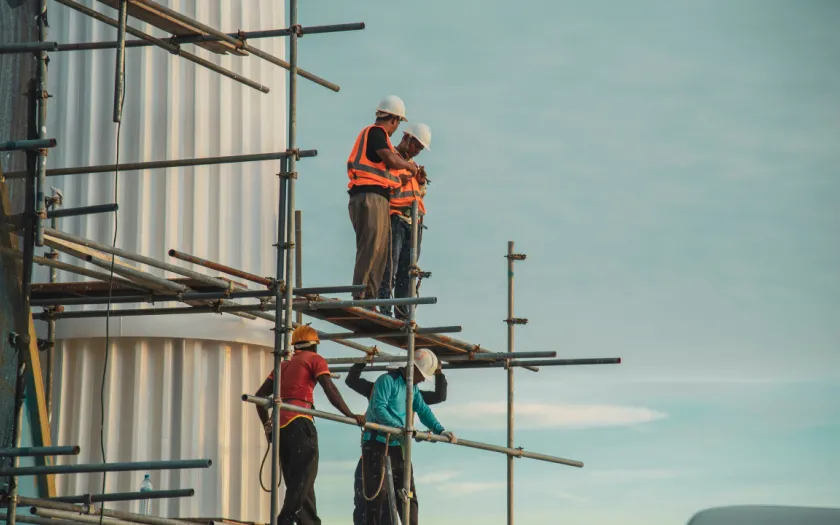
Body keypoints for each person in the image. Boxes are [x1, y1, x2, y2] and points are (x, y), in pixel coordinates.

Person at [253, 325, 366, 525]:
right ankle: (285, 520)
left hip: (281, 428)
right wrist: (350, 414)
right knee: (304, 478)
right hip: (300, 423)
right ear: (314, 346)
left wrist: (267, 426)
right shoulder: (314, 360)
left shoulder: (283, 365)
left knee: (302, 485)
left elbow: (259, 397)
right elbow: (329, 388)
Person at [346, 356, 448, 525]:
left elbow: (424, 410)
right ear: (412, 368)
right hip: (377, 443)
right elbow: (378, 407)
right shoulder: (385, 382)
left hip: (397, 446)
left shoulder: (413, 389)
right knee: (376, 498)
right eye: (422, 375)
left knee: (407, 494)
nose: (423, 379)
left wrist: (441, 430)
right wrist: (401, 429)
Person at [347, 95, 420, 303]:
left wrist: (407, 176)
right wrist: (408, 166)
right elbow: (390, 159)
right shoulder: (376, 133)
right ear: (395, 120)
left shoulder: (381, 140)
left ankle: (370, 296)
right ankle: (360, 294)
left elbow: (388, 172)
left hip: (376, 197)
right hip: (368, 197)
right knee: (370, 246)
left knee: (380, 251)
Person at [376, 123, 432, 319]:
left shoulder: (411, 165)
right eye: (416, 146)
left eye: (420, 148)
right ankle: (384, 308)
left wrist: (421, 181)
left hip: (414, 222)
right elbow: (385, 186)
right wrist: (404, 180)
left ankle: (402, 313)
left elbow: (417, 194)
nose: (417, 151)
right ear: (406, 138)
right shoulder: (391, 158)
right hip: (396, 218)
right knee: (390, 265)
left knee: (407, 272)